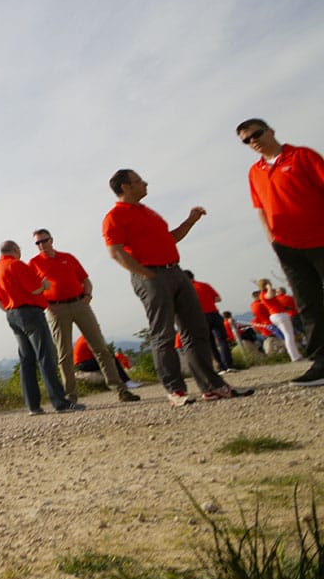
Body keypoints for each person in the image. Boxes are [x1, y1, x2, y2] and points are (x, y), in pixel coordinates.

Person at [101, 170, 252, 406]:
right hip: (151, 276)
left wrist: (190, 221)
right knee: (164, 334)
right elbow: (115, 252)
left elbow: (169, 238)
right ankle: (175, 390)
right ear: (125, 187)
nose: (145, 183)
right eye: (139, 181)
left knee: (196, 330)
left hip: (176, 271)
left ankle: (213, 387)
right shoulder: (114, 216)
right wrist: (147, 274)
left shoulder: (148, 212)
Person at [239, 118, 324, 386]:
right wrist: (272, 239)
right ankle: (321, 362)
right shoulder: (255, 172)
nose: (253, 141)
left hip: (320, 237)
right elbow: (260, 207)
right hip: (287, 246)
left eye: (256, 134)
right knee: (308, 304)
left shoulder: (302, 156)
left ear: (271, 131)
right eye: (246, 140)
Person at [28, 229, 140, 402]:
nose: (41, 245)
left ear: (51, 240)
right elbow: (32, 290)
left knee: (100, 348)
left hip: (80, 304)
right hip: (57, 310)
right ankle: (70, 397)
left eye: (44, 241)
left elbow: (85, 280)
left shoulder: (68, 257)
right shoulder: (33, 264)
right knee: (64, 354)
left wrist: (88, 295)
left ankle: (120, 390)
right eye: (37, 243)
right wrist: (47, 305)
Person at [0, 240, 85, 415]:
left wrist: (11, 310)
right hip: (30, 313)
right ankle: (60, 403)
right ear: (15, 250)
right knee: (46, 356)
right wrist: (45, 286)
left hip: (12, 314)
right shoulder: (17, 265)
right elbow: (34, 289)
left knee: (26, 360)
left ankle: (33, 406)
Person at [185, 270, 238, 372]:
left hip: (200, 317)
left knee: (210, 342)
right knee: (222, 340)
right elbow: (218, 299)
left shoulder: (187, 289)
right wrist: (208, 300)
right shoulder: (204, 285)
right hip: (214, 313)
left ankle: (221, 366)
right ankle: (229, 365)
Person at [72, 334, 140, 387]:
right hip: (84, 364)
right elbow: (100, 351)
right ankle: (126, 381)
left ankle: (123, 381)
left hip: (83, 363)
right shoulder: (89, 338)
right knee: (111, 359)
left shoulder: (84, 337)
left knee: (110, 359)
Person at [259, 277, 303, 360]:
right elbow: (270, 295)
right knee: (288, 335)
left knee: (288, 335)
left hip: (277, 315)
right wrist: (269, 287)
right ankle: (294, 356)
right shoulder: (265, 294)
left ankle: (295, 354)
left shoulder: (263, 295)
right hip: (279, 315)